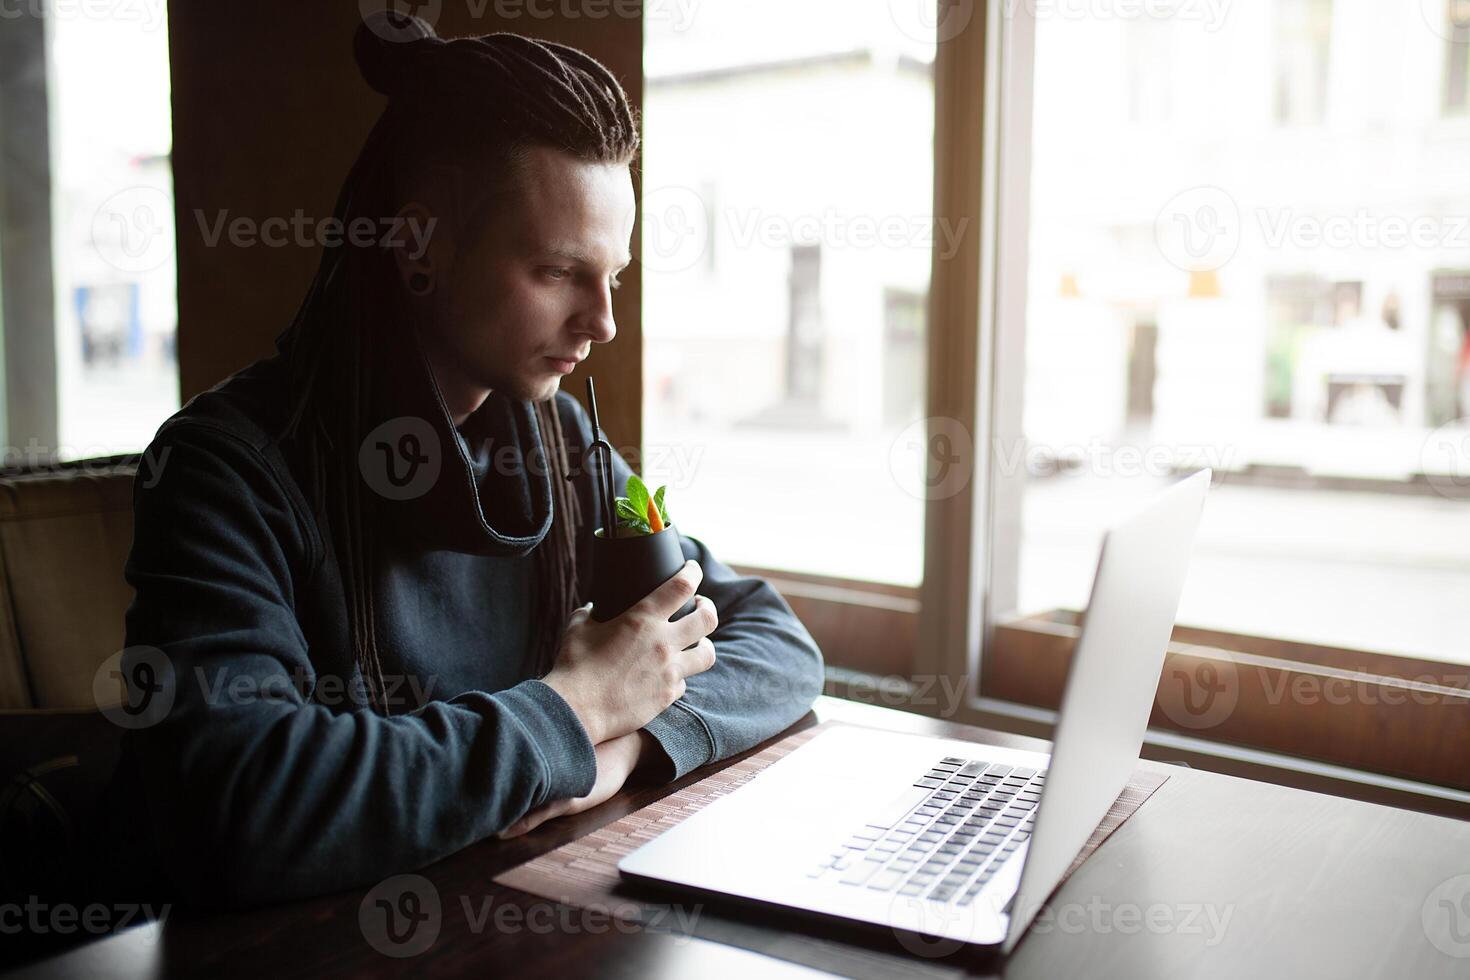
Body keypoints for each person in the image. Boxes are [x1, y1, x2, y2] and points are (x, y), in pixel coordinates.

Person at [96, 12, 824, 910]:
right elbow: (244, 802)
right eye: (560, 272)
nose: (602, 322)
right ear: (419, 245)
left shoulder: (560, 450)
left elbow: (778, 643)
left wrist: (629, 743)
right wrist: (578, 708)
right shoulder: (228, 470)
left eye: (615, 276)